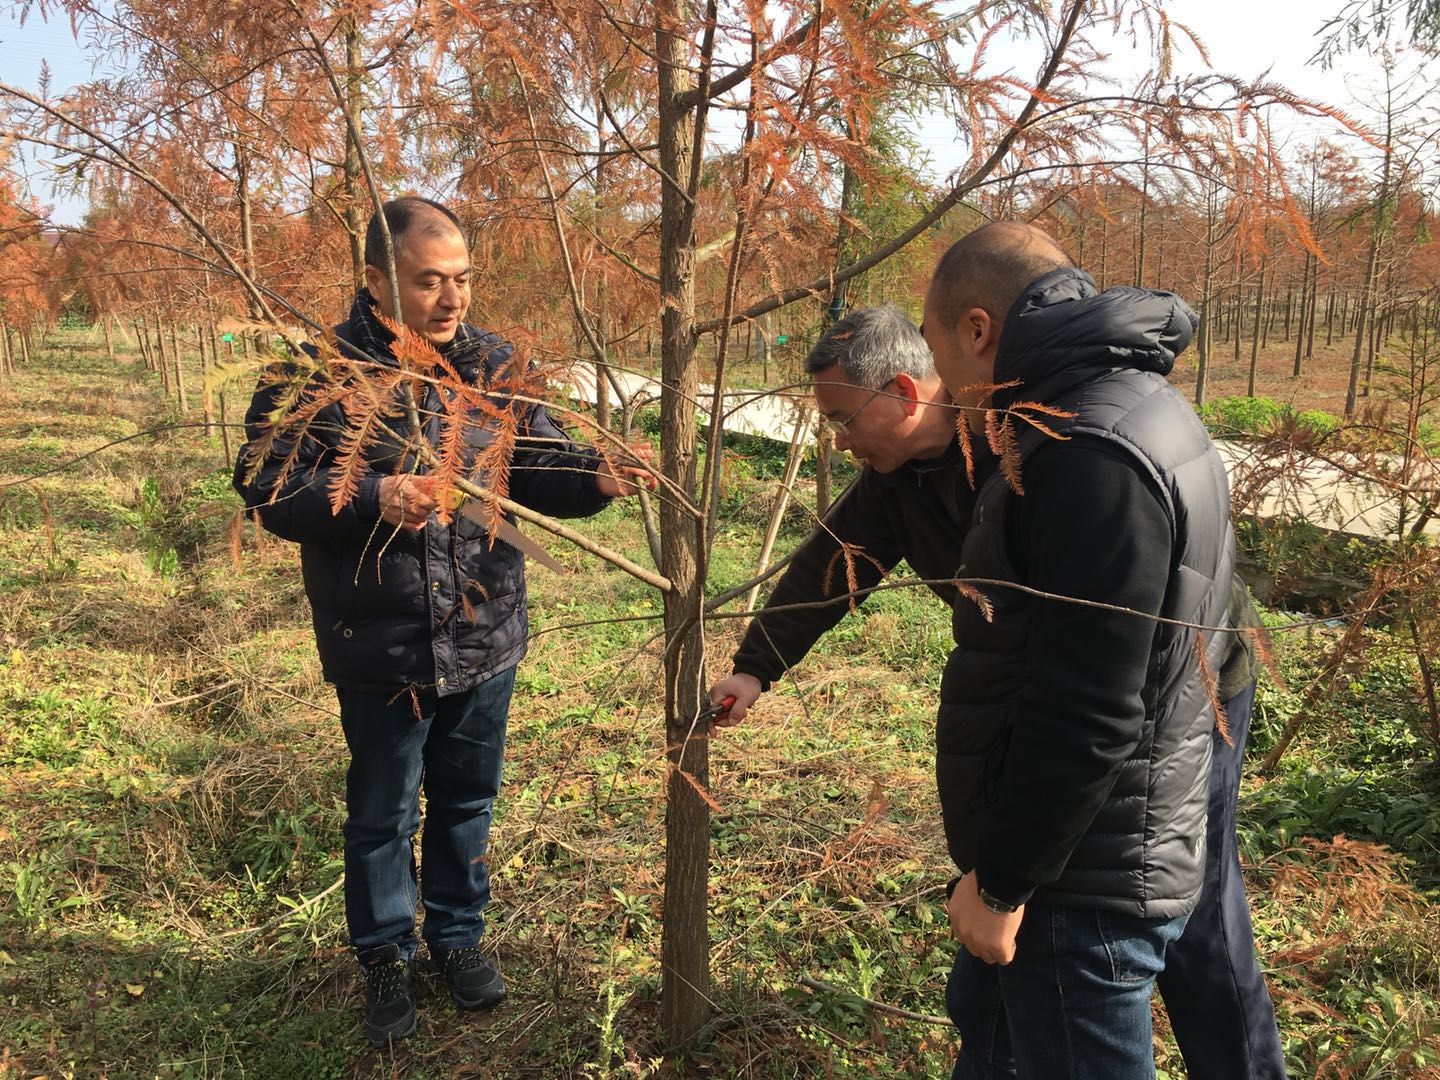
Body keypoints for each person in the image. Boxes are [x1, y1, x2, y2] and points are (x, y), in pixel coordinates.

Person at [712, 228, 1281, 1077]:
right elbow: (831, 563)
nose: (834, 441)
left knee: (1189, 909)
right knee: (1073, 912)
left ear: (909, 385)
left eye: (840, 418)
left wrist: (1008, 879)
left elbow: (1088, 698)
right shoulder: (896, 478)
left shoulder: (1045, 444)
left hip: (1179, 693)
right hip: (1067, 712)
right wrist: (754, 664)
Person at [234, 196, 649, 1048]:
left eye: (461, 280)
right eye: (430, 282)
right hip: (380, 641)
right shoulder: (317, 372)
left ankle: (457, 938)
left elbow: (540, 466)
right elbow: (267, 485)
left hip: (483, 632)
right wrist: (371, 496)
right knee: (382, 810)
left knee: (467, 799)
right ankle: (384, 954)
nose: (452, 300)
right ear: (376, 281)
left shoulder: (493, 366)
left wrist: (599, 479)